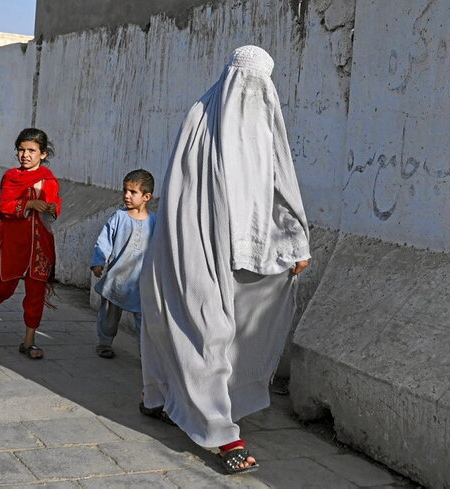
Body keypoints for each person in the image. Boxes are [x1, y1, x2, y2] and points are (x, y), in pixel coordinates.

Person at [139, 45, 311, 474]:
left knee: (233, 328)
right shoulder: (200, 118)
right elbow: (182, 189)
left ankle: (160, 398)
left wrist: (296, 242)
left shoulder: (265, 123)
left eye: (259, 84)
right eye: (244, 79)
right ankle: (221, 433)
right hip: (193, 241)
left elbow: (282, 182)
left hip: (246, 247)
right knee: (201, 326)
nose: (250, 91)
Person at [0, 128, 61, 359]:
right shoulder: (12, 176)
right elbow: (3, 208)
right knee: (4, 288)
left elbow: (54, 205)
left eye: (31, 150)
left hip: (40, 247)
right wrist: (29, 205)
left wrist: (51, 207)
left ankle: (29, 341)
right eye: (21, 150)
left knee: (35, 293)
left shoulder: (50, 180)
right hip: (13, 242)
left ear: (43, 154)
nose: (25, 155)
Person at [90, 169, 156, 359]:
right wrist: (98, 261)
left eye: (132, 192)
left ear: (146, 196)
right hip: (116, 279)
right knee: (109, 316)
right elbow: (104, 241)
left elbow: (161, 249)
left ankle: (147, 355)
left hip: (141, 282)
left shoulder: (155, 222)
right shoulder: (119, 217)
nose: (126, 196)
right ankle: (104, 343)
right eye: (125, 190)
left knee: (144, 322)